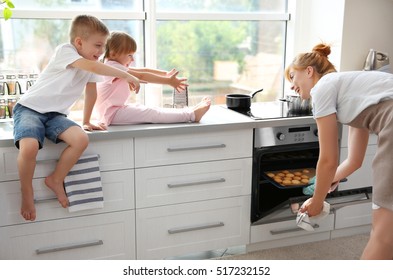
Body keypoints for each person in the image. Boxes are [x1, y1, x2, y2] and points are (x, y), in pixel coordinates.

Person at [13, 15, 142, 222]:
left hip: (55, 115)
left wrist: (87, 120)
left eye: (103, 46)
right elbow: (91, 68)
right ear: (79, 42)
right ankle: (26, 192)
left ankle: (56, 179)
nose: (101, 52)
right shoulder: (66, 51)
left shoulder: (93, 62)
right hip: (30, 108)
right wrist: (127, 74)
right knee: (29, 147)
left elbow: (91, 92)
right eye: (98, 45)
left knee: (81, 139)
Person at [285, 43, 393, 260]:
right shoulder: (352, 91)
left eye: (292, 77)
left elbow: (327, 159)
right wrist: (324, 184)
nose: (291, 86)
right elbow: (354, 161)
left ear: (309, 71)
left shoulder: (322, 88)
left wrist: (317, 201)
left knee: (383, 235)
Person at [90, 31, 211, 127]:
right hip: (110, 114)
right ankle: (192, 115)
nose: (132, 60)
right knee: (152, 113)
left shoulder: (113, 65)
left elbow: (143, 70)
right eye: (129, 55)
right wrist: (168, 81)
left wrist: (166, 74)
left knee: (151, 109)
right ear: (113, 54)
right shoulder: (112, 66)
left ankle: (190, 112)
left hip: (114, 110)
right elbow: (141, 75)